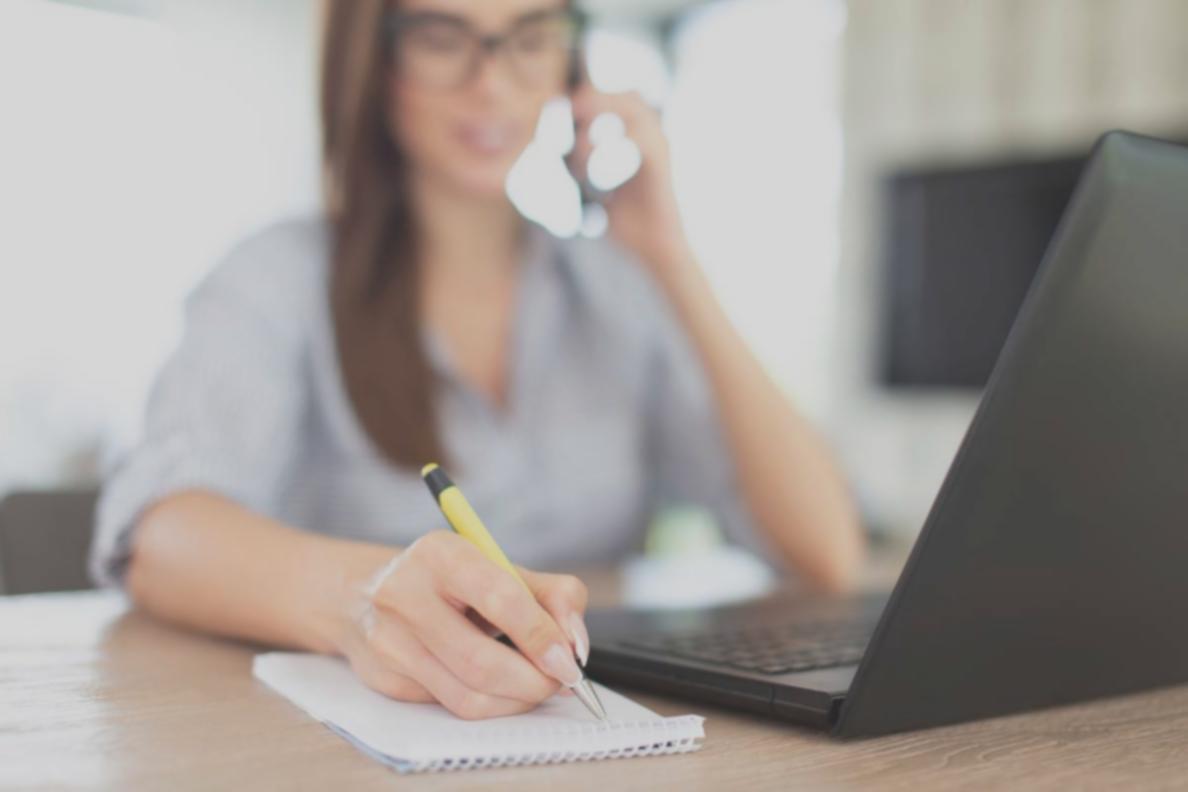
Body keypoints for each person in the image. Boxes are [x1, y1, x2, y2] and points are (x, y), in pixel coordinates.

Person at [90, 0, 864, 720]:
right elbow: (158, 536)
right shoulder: (277, 278)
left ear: (572, 70)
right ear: (377, 60)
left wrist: (671, 256)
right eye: (442, 38)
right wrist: (366, 597)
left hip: (576, 728)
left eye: (530, 39)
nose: (490, 83)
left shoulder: (615, 286)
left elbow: (824, 551)